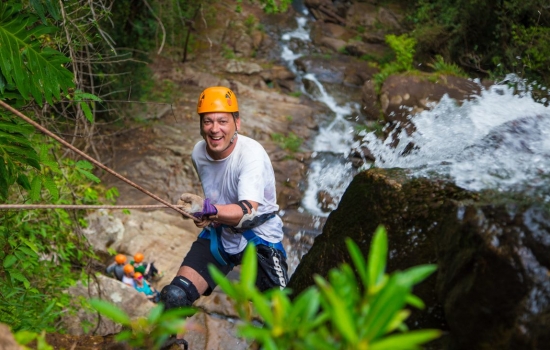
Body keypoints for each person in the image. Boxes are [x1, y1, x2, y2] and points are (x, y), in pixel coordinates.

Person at [160, 86, 289, 313]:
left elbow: (247, 209)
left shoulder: (251, 155)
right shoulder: (198, 153)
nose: (214, 129)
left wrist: (207, 209)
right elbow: (217, 196)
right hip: (221, 235)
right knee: (174, 297)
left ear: (237, 124)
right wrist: (205, 215)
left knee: (282, 315)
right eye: (207, 121)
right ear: (201, 125)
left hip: (260, 237)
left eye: (222, 121)